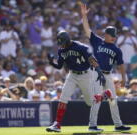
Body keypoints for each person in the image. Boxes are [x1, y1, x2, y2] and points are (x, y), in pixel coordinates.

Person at [80, 2, 131, 131]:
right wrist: (84, 16)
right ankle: (92, 125)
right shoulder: (98, 41)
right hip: (96, 73)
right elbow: (87, 30)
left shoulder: (116, 49)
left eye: (114, 36)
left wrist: (124, 78)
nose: (114, 38)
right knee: (97, 99)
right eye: (112, 35)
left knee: (113, 99)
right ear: (106, 34)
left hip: (108, 75)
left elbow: (121, 65)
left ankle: (118, 125)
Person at [46, 30, 106, 132]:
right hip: (72, 75)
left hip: (85, 75)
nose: (61, 46)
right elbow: (60, 66)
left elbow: (91, 58)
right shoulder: (61, 50)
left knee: (90, 102)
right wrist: (52, 62)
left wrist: (99, 70)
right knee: (63, 97)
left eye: (62, 43)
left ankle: (105, 95)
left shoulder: (80, 47)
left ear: (67, 40)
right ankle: (57, 124)